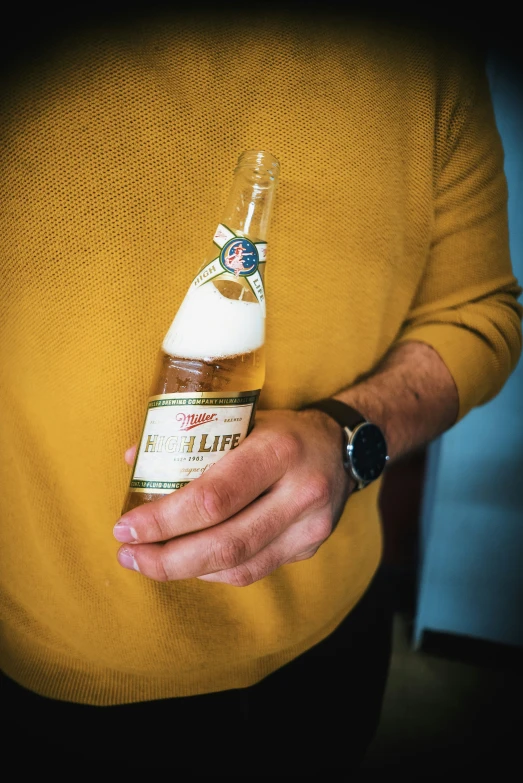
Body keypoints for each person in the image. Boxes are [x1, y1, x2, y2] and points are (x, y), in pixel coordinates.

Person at [1, 5, 521, 774]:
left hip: (329, 642)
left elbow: (480, 313)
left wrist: (352, 435)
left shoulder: (428, 53)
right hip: (54, 682)